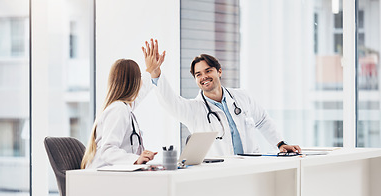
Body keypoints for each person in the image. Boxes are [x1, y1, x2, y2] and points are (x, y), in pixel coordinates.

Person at [146, 39, 301, 156]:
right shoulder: (194, 110)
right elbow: (170, 102)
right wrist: (155, 72)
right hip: (221, 175)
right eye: (198, 74)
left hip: (252, 167)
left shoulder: (242, 97)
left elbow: (263, 120)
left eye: (208, 71)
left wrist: (280, 143)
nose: (204, 77)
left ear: (219, 71)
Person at [81, 40, 165, 169]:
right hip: (102, 177)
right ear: (134, 82)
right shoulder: (118, 109)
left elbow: (142, 92)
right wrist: (136, 159)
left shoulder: (124, 107)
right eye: (139, 78)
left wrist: (153, 71)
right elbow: (107, 151)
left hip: (111, 175)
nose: (141, 82)